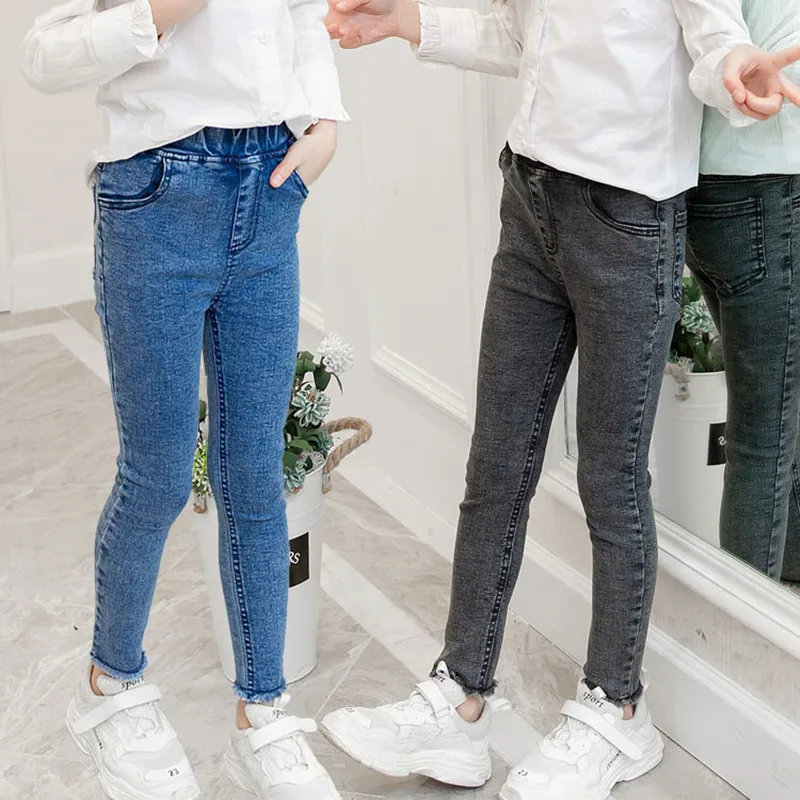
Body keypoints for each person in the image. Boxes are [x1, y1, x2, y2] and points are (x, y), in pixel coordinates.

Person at [318, 1, 800, 798]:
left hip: (626, 218)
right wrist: (408, 22)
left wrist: (736, 69)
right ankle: (460, 698)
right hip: (530, 194)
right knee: (496, 462)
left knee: (610, 480)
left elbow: (714, 38)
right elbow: (518, 35)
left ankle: (617, 708)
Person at [22, 1, 346, 798]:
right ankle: (110, 685)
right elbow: (43, 56)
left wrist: (327, 119)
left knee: (255, 478)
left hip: (269, 186)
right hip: (156, 194)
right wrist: (163, 10)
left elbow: (304, 14)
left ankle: (262, 714)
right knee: (159, 475)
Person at [686, 0, 800, 585]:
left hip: (707, 188)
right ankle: (744, 627)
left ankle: (785, 578)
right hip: (768, 189)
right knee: (764, 435)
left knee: (779, 412)